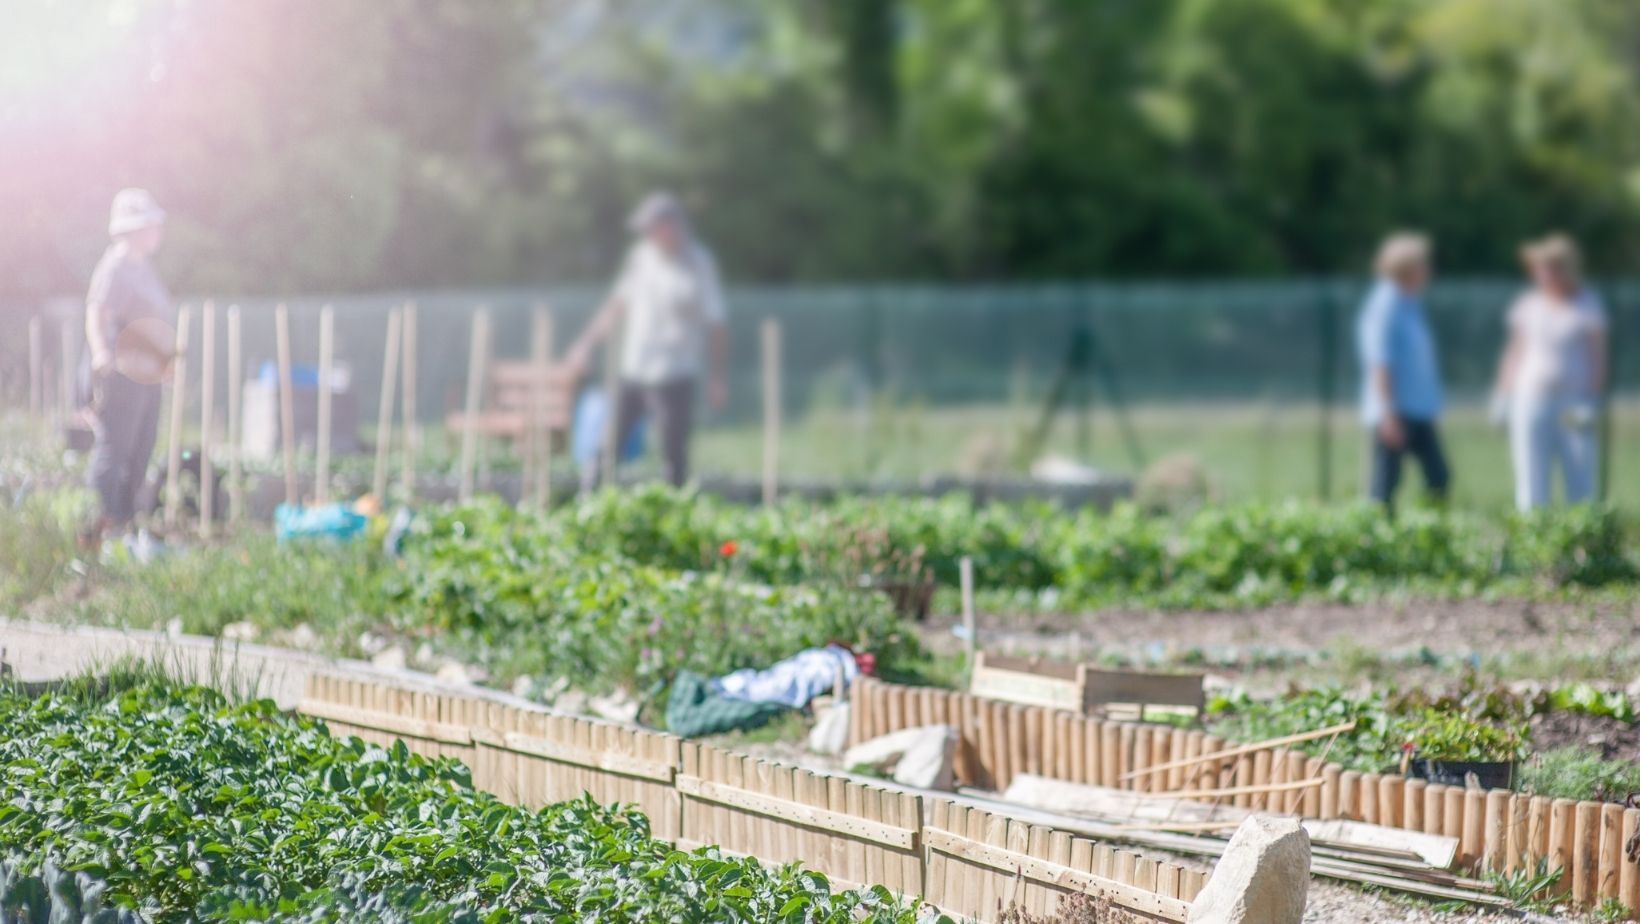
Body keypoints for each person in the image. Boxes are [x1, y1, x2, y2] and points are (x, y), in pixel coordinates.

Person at [567, 193, 728, 489]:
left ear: (670, 226)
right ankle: (586, 505)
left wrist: (717, 377)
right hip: (635, 371)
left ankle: (675, 516)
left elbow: (716, 322)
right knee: (607, 447)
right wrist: (586, 343)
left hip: (675, 373)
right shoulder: (641, 257)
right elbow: (616, 305)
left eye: (652, 227)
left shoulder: (699, 263)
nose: (648, 234)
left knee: (673, 454)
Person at [83, 188, 175, 542]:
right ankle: (94, 526)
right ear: (135, 228)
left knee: (141, 447)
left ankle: (122, 525)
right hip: (122, 372)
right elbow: (97, 311)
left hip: (147, 373)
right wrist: (101, 352)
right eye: (151, 225)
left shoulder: (142, 266)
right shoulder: (116, 265)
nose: (157, 232)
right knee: (115, 448)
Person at [1492, 234, 1607, 510]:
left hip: (1573, 401)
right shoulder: (1529, 305)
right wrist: (1503, 396)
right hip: (1532, 399)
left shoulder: (1587, 304)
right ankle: (1533, 544)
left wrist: (1593, 400)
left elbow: (1598, 357)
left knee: (1580, 477)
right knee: (1531, 478)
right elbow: (1515, 353)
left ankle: (1582, 543)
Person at [1357, 232, 1449, 510]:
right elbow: (1380, 360)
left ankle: (1429, 537)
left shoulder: (1410, 302)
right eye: (1422, 264)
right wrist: (1387, 413)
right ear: (1406, 268)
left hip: (1418, 409)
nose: (1428, 270)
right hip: (1396, 412)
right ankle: (1375, 544)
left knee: (1439, 477)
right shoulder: (1386, 304)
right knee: (1384, 487)